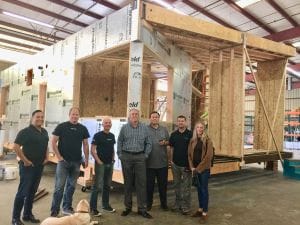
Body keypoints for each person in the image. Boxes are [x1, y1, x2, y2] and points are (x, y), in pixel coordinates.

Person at [50, 107, 90, 217]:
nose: (75, 116)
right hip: (63, 162)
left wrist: (86, 159)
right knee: (59, 187)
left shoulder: (83, 128)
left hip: (76, 162)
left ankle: (66, 207)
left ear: (79, 116)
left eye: (77, 114)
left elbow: (86, 144)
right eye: (73, 114)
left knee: (71, 187)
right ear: (69, 115)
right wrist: (59, 157)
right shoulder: (61, 127)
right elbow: (53, 142)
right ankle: (54, 211)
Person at [12, 110, 49, 225]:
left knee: (32, 192)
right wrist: (25, 161)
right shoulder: (25, 132)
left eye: (42, 117)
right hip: (28, 167)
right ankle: (15, 219)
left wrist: (47, 156)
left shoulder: (44, 131)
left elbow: (46, 144)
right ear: (32, 118)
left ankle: (27, 215)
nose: (40, 119)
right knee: (22, 192)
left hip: (39, 166)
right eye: (38, 117)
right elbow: (16, 146)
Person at [117, 108, 153, 219]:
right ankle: (127, 207)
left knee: (141, 184)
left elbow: (149, 143)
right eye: (132, 114)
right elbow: (119, 141)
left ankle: (142, 209)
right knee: (128, 183)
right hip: (126, 157)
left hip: (140, 157)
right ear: (129, 116)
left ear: (139, 116)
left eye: (136, 114)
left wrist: (145, 155)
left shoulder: (144, 128)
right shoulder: (124, 128)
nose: (134, 116)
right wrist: (120, 155)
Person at [89, 117, 116, 216]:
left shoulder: (112, 136)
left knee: (107, 185)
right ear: (102, 124)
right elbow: (93, 150)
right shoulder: (97, 135)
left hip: (110, 163)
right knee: (97, 187)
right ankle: (93, 208)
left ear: (111, 125)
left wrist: (113, 159)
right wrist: (99, 161)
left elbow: (112, 148)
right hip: (101, 164)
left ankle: (105, 205)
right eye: (106, 123)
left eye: (109, 123)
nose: (108, 124)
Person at [188, 121, 214, 224]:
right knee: (199, 189)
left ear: (204, 129)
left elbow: (208, 157)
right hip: (195, 169)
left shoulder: (208, 141)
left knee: (204, 190)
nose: (200, 129)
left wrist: (198, 168)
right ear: (195, 129)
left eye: (201, 127)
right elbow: (189, 155)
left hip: (204, 170)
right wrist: (192, 167)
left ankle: (205, 212)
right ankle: (200, 209)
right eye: (198, 127)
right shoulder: (192, 140)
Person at [168, 115, 192, 215]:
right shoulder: (173, 135)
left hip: (186, 165)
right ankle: (177, 203)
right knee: (176, 185)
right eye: (179, 121)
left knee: (186, 187)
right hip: (176, 165)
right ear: (177, 123)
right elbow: (171, 148)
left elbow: (193, 149)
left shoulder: (190, 134)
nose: (181, 123)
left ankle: (186, 206)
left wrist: (191, 164)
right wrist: (171, 160)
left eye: (182, 121)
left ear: (186, 122)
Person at [146, 111, 169, 211]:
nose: (154, 118)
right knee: (149, 187)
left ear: (159, 118)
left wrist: (165, 142)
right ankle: (148, 204)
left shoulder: (164, 129)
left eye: (156, 117)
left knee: (163, 186)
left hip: (162, 163)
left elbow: (169, 142)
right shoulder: (145, 129)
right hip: (149, 164)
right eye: (153, 117)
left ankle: (164, 204)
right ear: (150, 118)